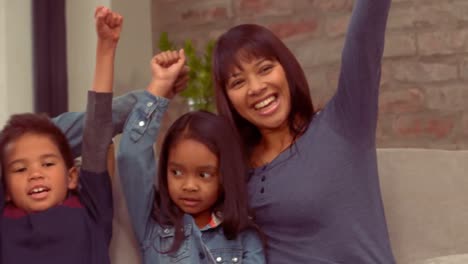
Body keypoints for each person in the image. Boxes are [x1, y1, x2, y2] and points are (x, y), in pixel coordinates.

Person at [210, 0, 395, 263]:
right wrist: (159, 93)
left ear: (286, 69)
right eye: (238, 82)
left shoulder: (344, 124)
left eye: (265, 69)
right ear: (228, 99)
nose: (256, 87)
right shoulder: (235, 166)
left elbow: (365, 35)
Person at [116, 51, 265, 264]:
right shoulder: (153, 223)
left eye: (204, 174)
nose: (189, 185)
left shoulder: (244, 237)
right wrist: (160, 85)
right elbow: (132, 156)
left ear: (225, 175)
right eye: (176, 172)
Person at [0, 6, 121, 263]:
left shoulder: (90, 208)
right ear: (6, 189)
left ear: (71, 177)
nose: (35, 174)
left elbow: (97, 131)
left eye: (47, 163)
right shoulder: (4, 218)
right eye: (20, 169)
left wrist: (106, 47)